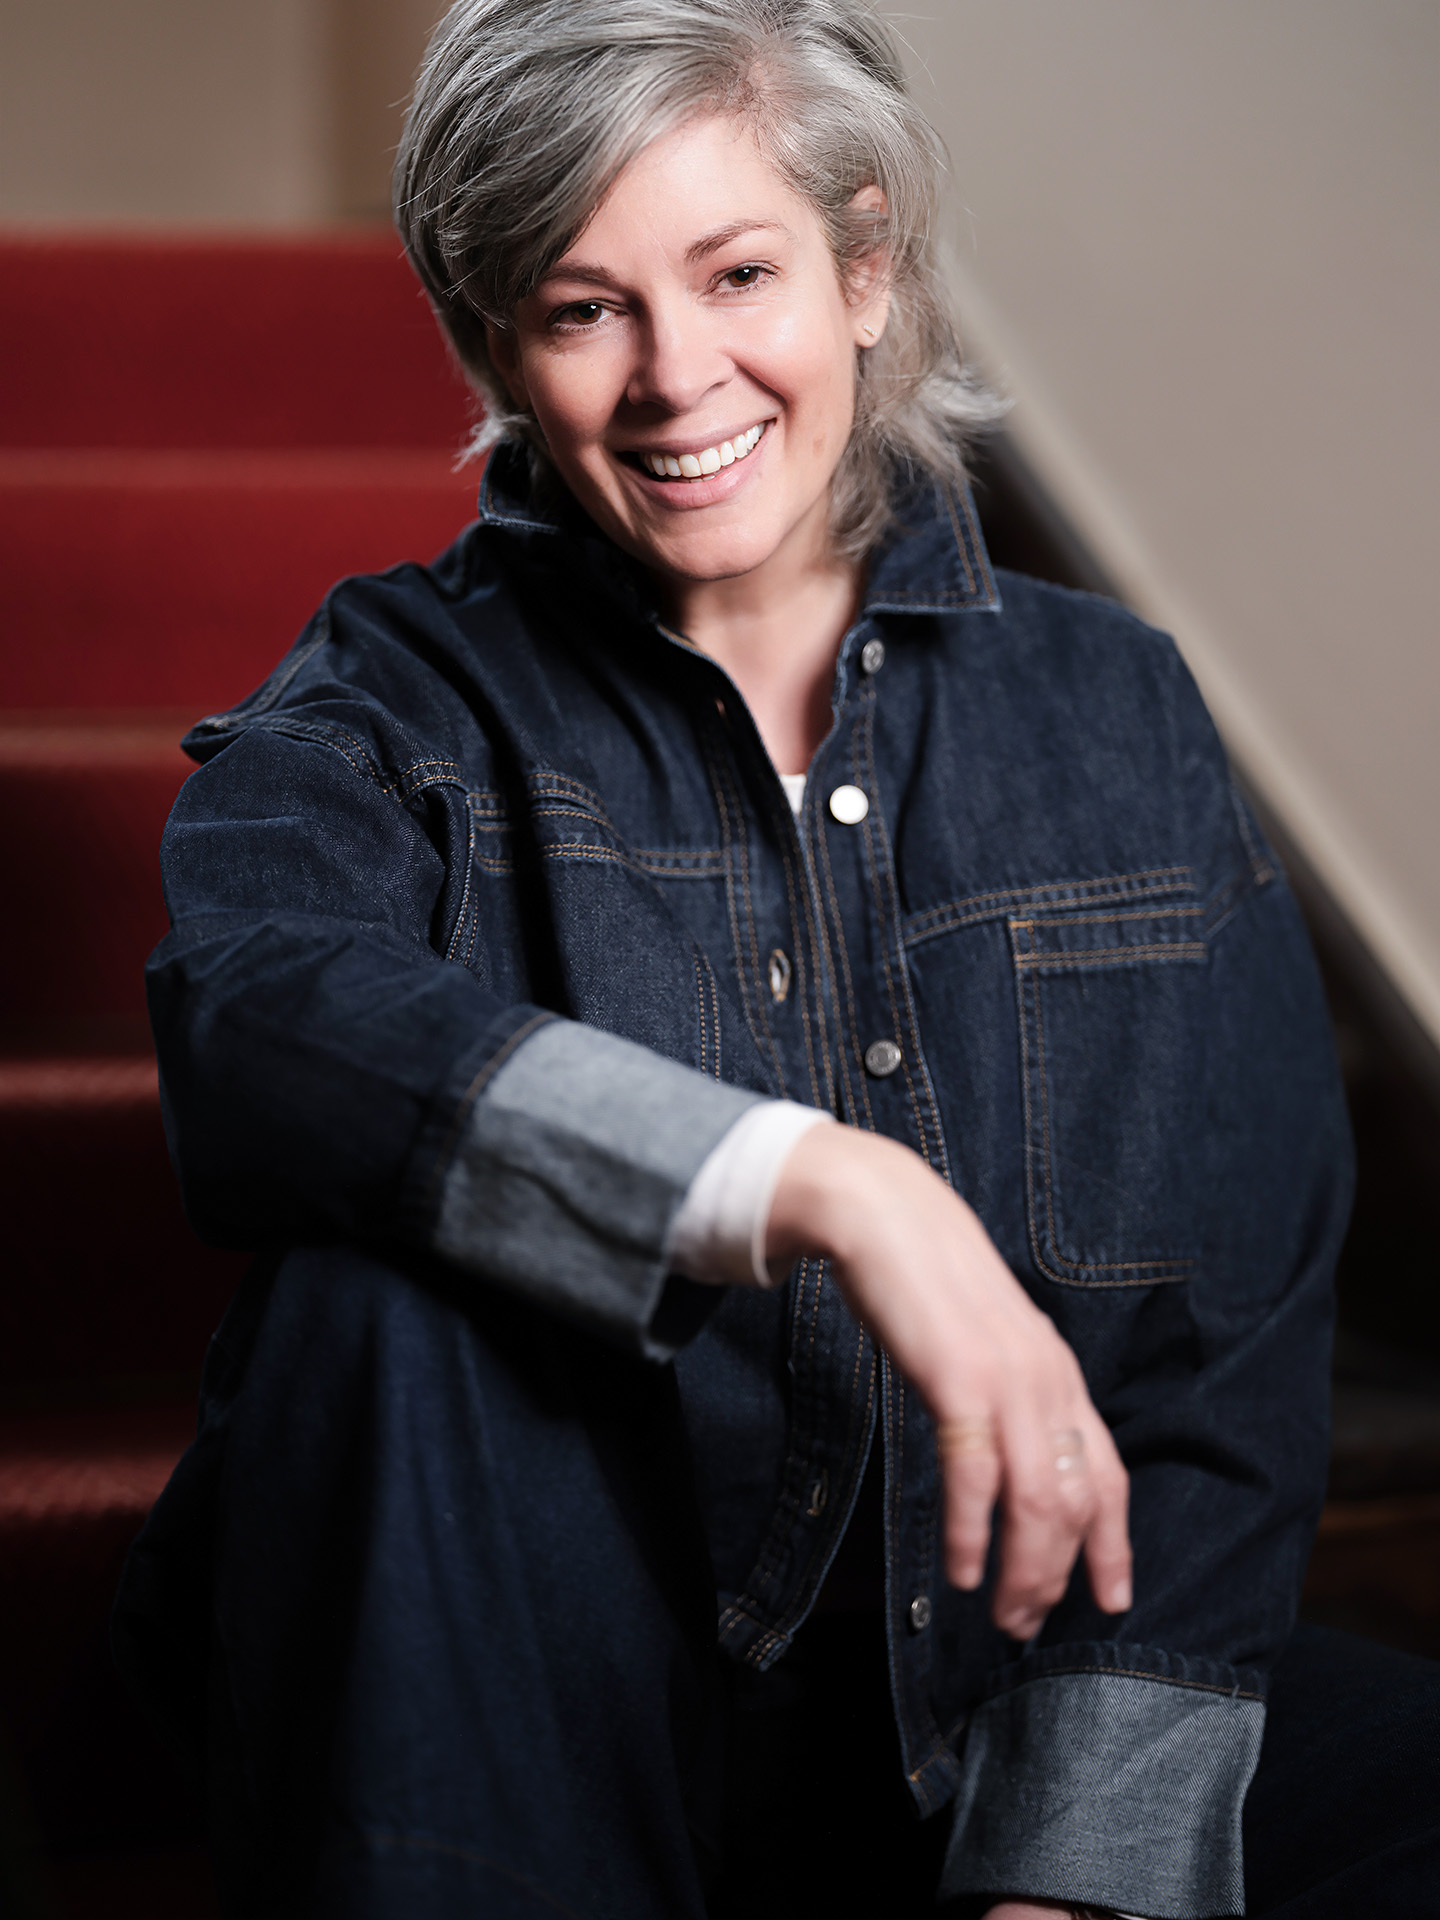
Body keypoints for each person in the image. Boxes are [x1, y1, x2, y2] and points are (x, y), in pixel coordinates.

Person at [114, 2, 1439, 1916]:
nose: (677, 379)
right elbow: (254, 1021)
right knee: (372, 1298)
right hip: (533, 1709)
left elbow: (1224, 1356)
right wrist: (817, 1185)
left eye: (739, 274)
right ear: (497, 344)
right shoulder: (393, 695)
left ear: (865, 267)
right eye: (584, 308)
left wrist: (1067, 1881)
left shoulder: (1118, 710)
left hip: (991, 1703)